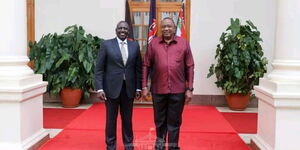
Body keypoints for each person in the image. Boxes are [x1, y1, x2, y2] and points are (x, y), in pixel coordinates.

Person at [142, 17, 194, 150]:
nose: (166, 29)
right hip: (158, 89)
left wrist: (190, 89)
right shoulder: (153, 43)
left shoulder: (184, 43)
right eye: (164, 26)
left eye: (169, 26)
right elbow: (146, 65)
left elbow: (190, 66)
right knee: (159, 121)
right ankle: (159, 145)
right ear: (160, 28)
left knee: (174, 121)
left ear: (174, 28)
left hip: (178, 90)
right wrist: (144, 86)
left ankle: (173, 146)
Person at [95, 21, 142, 150]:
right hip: (111, 89)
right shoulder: (106, 45)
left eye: (125, 29)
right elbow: (99, 68)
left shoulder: (134, 46)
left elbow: (138, 68)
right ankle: (111, 145)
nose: (123, 30)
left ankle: (128, 145)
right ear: (116, 30)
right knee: (111, 120)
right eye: (120, 28)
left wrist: (138, 87)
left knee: (127, 120)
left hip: (129, 89)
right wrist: (99, 88)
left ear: (128, 31)